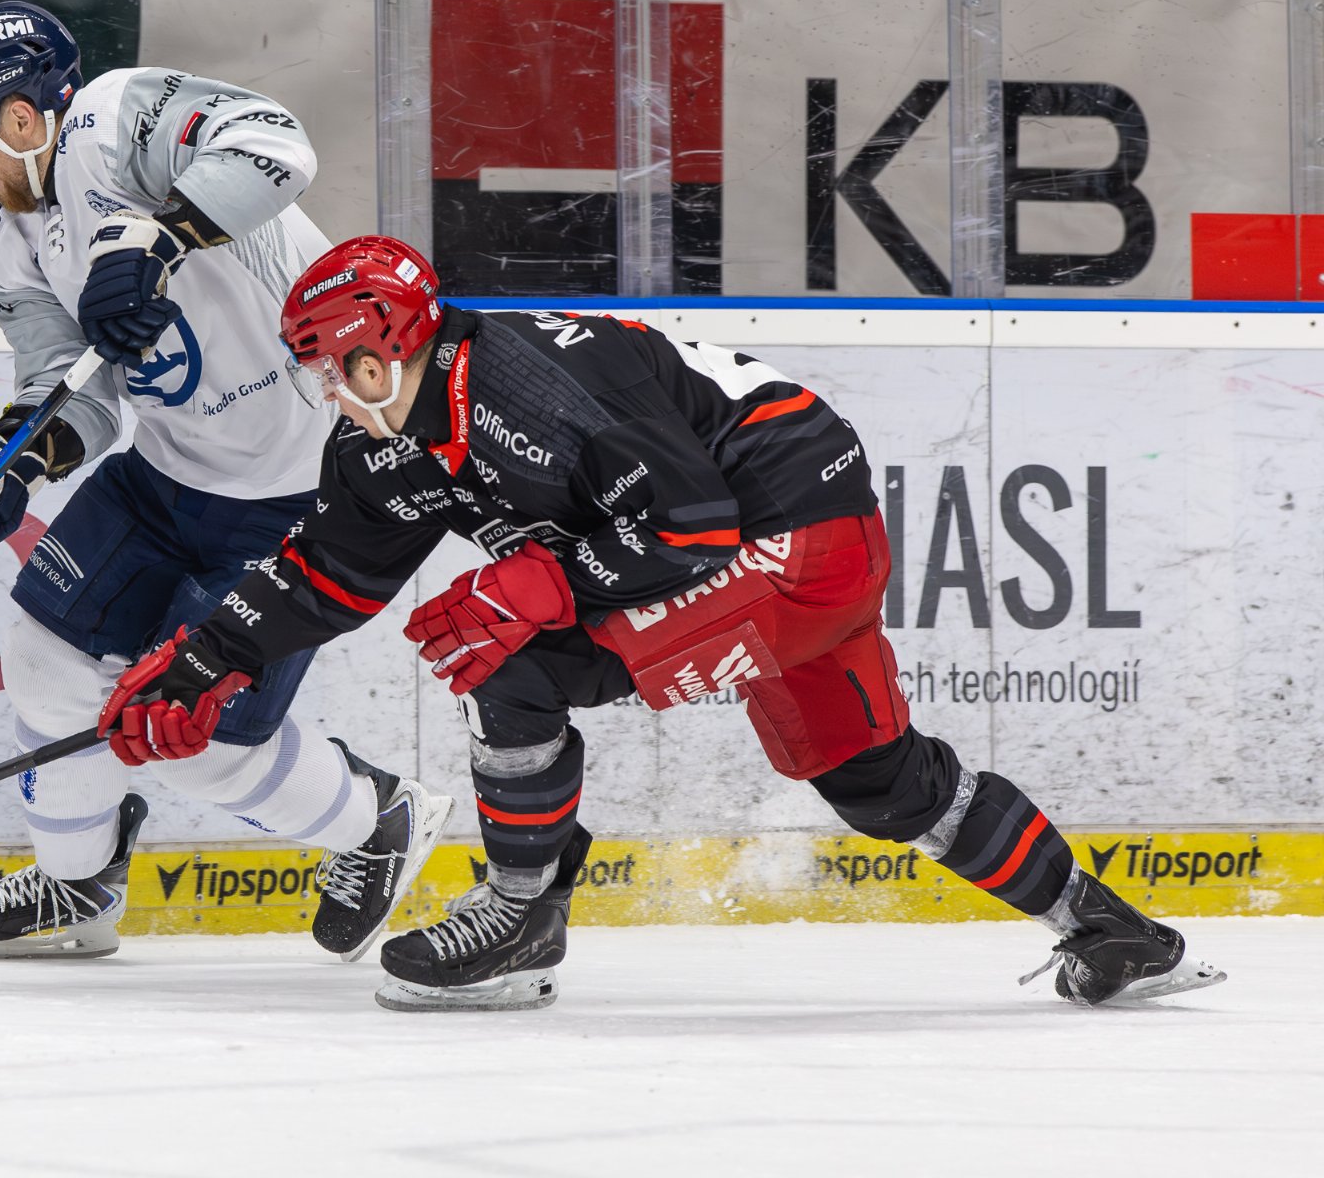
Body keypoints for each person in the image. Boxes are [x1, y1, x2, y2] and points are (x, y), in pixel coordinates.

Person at [95, 233, 1229, 1012]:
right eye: (316, 374)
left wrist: (536, 586)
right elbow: (329, 571)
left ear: (387, 339)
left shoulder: (527, 381)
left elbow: (688, 521)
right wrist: (203, 660)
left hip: (786, 538)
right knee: (877, 779)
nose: (330, 394)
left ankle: (521, 916)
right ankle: (1110, 930)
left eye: (339, 366)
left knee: (515, 661)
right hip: (777, 549)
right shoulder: (385, 440)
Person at [0, 4, 451, 962]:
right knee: (44, 667)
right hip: (164, 476)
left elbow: (278, 147)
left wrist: (158, 238)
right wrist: (6, 468)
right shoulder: (8, 244)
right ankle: (78, 888)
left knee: (199, 744)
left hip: (303, 490)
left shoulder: (116, 121)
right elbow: (71, 392)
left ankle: (379, 820)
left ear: (22, 117)